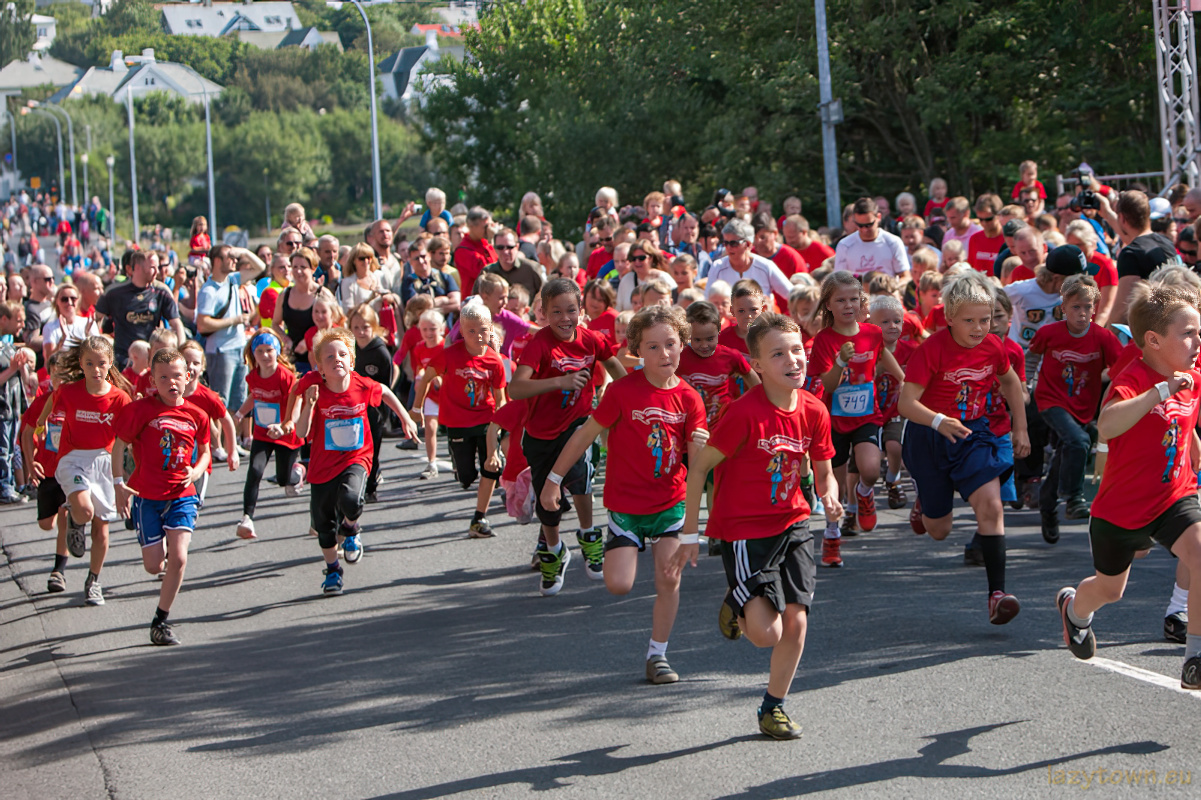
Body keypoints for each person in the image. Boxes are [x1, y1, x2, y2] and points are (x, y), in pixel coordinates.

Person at [672, 312, 840, 740]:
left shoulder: (815, 410)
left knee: (797, 622)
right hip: (745, 531)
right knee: (767, 635)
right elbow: (698, 470)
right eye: (779, 354)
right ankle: (737, 602)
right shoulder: (743, 414)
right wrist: (690, 534)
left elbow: (823, 469)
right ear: (758, 366)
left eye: (798, 351)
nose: (793, 360)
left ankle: (773, 707)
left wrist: (831, 494)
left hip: (795, 522)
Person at [540, 306, 707, 684]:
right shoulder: (621, 391)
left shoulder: (690, 398)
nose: (664, 353)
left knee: (669, 580)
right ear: (637, 352)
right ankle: (603, 540)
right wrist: (553, 480)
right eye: (653, 346)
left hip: (670, 503)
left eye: (671, 344)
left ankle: (658, 655)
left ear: (683, 344)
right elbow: (582, 436)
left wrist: (699, 447)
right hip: (627, 505)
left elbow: (696, 467)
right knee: (618, 584)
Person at [1056, 284, 1201, 691]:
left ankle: (1195, 657)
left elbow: (1186, 416)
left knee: (1200, 552)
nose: (1197, 342)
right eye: (1188, 334)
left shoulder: (1193, 369)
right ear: (1153, 341)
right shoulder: (1134, 378)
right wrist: (1160, 391)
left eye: (1198, 333)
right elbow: (1108, 423)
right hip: (1120, 510)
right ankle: (1075, 612)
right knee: (1110, 589)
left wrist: (1191, 442)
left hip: (1174, 496)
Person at [899, 271, 1029, 624]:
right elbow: (906, 404)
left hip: (973, 434)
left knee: (991, 505)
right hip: (929, 436)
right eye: (969, 320)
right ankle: (926, 500)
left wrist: (1021, 427)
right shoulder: (932, 349)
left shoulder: (993, 346)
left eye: (985, 320)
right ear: (950, 317)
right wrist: (939, 421)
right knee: (939, 530)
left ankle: (996, 594)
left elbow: (1010, 382)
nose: (978, 328)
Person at [509, 279, 627, 596]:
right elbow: (515, 388)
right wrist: (559, 382)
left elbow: (617, 370)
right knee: (548, 503)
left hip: (578, 422)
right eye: (556, 312)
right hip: (540, 433)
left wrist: (636, 404)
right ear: (544, 314)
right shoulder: (540, 344)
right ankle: (555, 549)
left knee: (580, 473)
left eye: (571, 311)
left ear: (581, 311)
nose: (565, 318)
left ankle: (589, 536)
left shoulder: (592, 339)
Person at [285, 328, 418, 596]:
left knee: (352, 499)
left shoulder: (361, 384)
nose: (337, 360)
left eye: (343, 354)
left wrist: (406, 418)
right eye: (330, 356)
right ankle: (333, 570)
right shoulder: (314, 387)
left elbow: (386, 393)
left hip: (357, 457)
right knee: (323, 528)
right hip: (323, 465)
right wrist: (308, 406)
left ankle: (351, 528)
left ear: (352, 361)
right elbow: (300, 433)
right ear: (319, 367)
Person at [112, 348, 211, 646]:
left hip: (182, 494)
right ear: (152, 380)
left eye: (177, 376)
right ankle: (163, 557)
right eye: (163, 377)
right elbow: (119, 447)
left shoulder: (197, 415)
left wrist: (195, 472)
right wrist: (119, 485)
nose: (171, 382)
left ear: (188, 377)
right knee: (154, 566)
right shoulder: (139, 411)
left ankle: (161, 620)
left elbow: (205, 453)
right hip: (147, 496)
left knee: (179, 557)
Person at [809, 271, 905, 561]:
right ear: (828, 305)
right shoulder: (824, 340)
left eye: (854, 299)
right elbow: (826, 384)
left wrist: (903, 379)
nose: (848, 305)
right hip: (833, 420)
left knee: (871, 470)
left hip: (866, 415)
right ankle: (832, 536)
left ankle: (864, 493)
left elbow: (882, 353)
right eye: (840, 300)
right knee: (833, 486)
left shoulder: (872, 332)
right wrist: (841, 360)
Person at [37, 336, 133, 607]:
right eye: (89, 363)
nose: (95, 369)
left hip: (104, 461)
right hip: (72, 458)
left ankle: (94, 581)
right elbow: (52, 401)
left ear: (110, 363)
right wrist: (42, 422)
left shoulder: (119, 398)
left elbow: (129, 434)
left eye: (101, 363)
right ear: (81, 363)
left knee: (102, 531)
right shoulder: (69, 392)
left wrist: (131, 471)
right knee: (84, 511)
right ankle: (76, 522)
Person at [1028, 275, 1121, 538]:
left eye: (1088, 307)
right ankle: (1073, 498)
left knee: (1067, 450)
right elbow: (1032, 358)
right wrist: (1026, 386)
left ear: (1095, 308)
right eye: (1076, 307)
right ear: (1064, 308)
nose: (1082, 313)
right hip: (1050, 399)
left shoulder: (1102, 338)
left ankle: (1048, 504)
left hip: (1082, 404)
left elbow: (1122, 368)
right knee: (1079, 441)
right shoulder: (1048, 333)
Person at [415, 301, 508, 538]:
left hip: (485, 420)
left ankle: (479, 518)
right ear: (462, 332)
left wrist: (502, 427)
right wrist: (417, 406)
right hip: (457, 421)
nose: (478, 336)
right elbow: (426, 378)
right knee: (467, 477)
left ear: (491, 330)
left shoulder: (494, 361)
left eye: (483, 330)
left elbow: (500, 398)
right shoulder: (449, 355)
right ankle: (463, 468)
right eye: (471, 331)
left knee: (490, 467)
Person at [232, 330, 305, 540]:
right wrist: (238, 415)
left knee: (283, 479)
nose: (265, 355)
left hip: (285, 434)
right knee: (254, 471)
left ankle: (298, 472)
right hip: (263, 433)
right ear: (253, 354)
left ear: (278, 351)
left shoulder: (285, 376)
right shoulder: (253, 376)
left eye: (269, 351)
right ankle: (247, 518)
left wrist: (288, 424)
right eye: (260, 351)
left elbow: (297, 400)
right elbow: (254, 397)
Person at [21, 352, 69, 592]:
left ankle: (58, 572)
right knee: (45, 524)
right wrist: (31, 464)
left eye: (67, 375)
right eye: (57, 374)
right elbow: (27, 434)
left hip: (71, 471)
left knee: (64, 516)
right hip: (47, 471)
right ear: (49, 376)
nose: (62, 380)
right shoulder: (43, 402)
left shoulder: (78, 402)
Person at [94, 252, 186, 370]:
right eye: (153, 267)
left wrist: (181, 352)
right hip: (123, 360)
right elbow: (96, 318)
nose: (157, 272)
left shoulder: (161, 291)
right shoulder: (114, 292)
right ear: (137, 267)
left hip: (151, 362)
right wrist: (98, 348)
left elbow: (177, 324)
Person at [197, 244, 255, 420]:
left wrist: (243, 251)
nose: (234, 260)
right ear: (217, 261)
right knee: (221, 402)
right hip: (221, 351)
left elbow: (259, 267)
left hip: (239, 348)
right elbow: (203, 324)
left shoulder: (233, 279)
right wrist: (234, 320)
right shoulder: (208, 291)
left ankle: (232, 444)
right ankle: (220, 445)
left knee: (238, 400)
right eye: (229, 257)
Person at [868, 294, 915, 511]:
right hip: (870, 410)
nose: (892, 326)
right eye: (884, 322)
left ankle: (893, 479)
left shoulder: (911, 351)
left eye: (897, 321)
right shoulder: (866, 352)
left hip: (897, 409)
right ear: (871, 325)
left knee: (895, 446)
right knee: (870, 459)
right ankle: (863, 492)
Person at [678, 301, 759, 426]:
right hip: (690, 425)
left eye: (710, 339)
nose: (704, 345)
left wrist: (758, 402)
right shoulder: (680, 358)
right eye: (697, 340)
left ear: (719, 330)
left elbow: (750, 376)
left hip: (724, 424)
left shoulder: (730, 356)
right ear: (688, 334)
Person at [1111, 190, 1183, 324]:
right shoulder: (1165, 242)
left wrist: (1105, 337)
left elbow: (1122, 309)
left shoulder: (1131, 254)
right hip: (1179, 320)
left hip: (1156, 329)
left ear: (1121, 218)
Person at [350, 305, 394, 504]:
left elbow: (387, 383)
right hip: (351, 405)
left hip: (374, 406)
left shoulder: (380, 352)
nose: (360, 332)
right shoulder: (348, 347)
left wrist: (385, 410)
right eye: (356, 327)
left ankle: (371, 486)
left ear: (374, 327)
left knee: (373, 446)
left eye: (365, 327)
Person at [394, 308, 445, 479]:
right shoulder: (419, 348)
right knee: (430, 426)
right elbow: (419, 367)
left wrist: (440, 377)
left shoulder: (446, 347)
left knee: (454, 429)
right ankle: (432, 464)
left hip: (449, 394)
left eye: (433, 329)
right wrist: (420, 377)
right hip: (430, 393)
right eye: (425, 329)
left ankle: (458, 457)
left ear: (441, 329)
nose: (429, 333)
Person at [834, 197, 910, 281]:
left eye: (869, 225)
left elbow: (905, 276)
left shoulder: (893, 242)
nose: (864, 230)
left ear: (878, 217)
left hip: (886, 292)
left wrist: (894, 289)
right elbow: (839, 280)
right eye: (860, 225)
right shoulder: (845, 245)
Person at [41, 283, 98, 363]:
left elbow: (99, 353)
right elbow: (49, 359)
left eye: (73, 298)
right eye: (64, 299)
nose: (69, 302)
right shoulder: (50, 327)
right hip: (61, 370)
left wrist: (87, 335)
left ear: (78, 300)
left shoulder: (88, 323)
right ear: (57, 301)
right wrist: (63, 338)